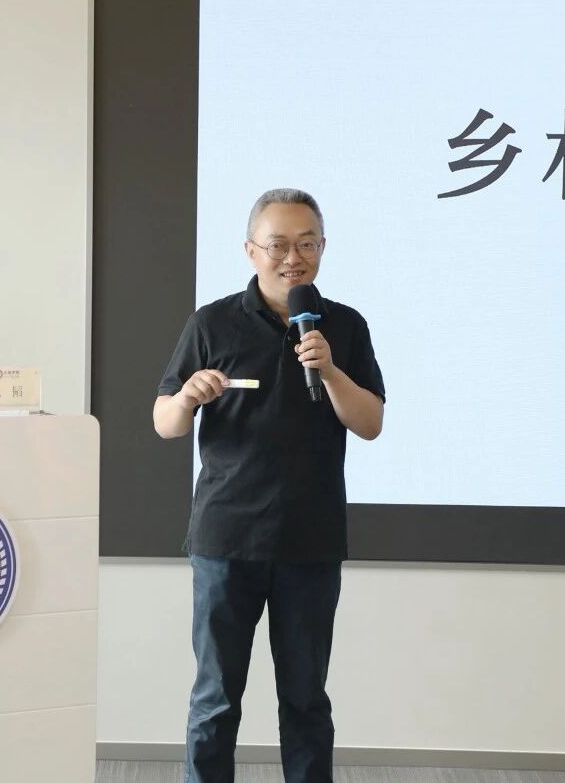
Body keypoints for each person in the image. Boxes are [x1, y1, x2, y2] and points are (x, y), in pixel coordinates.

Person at [154, 188, 386, 783]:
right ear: (250, 250)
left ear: (323, 247)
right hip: (226, 539)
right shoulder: (211, 322)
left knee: (306, 700)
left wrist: (328, 370)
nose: (293, 258)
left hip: (310, 540)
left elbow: (370, 423)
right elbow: (165, 423)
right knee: (215, 699)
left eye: (306, 244)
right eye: (278, 245)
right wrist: (187, 397)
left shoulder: (345, 326)